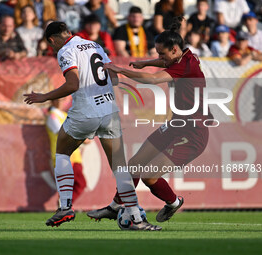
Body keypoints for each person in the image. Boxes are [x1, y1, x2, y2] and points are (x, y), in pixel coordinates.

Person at [24, 21, 161, 231]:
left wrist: (44, 97)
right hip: (109, 111)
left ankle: (65, 207)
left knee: (61, 153)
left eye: (51, 45)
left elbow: (73, 84)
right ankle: (136, 217)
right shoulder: (95, 46)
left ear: (52, 40)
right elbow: (113, 79)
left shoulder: (65, 51)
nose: (53, 48)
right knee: (120, 166)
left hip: (85, 111)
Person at [87, 17, 213, 223]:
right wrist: (145, 63)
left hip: (193, 132)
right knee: (135, 164)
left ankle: (174, 203)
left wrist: (122, 70)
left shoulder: (186, 67)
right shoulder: (186, 56)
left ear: (174, 49)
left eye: (162, 53)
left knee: (149, 176)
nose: (160, 57)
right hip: (176, 125)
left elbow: (154, 80)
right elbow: (164, 62)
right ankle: (115, 206)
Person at [46, 99, 87, 202]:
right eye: (58, 99)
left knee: (78, 184)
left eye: (62, 99)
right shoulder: (52, 116)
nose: (60, 102)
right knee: (76, 183)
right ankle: (65, 204)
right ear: (53, 101)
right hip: (64, 155)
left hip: (74, 155)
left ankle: (65, 204)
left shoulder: (64, 115)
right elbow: (63, 133)